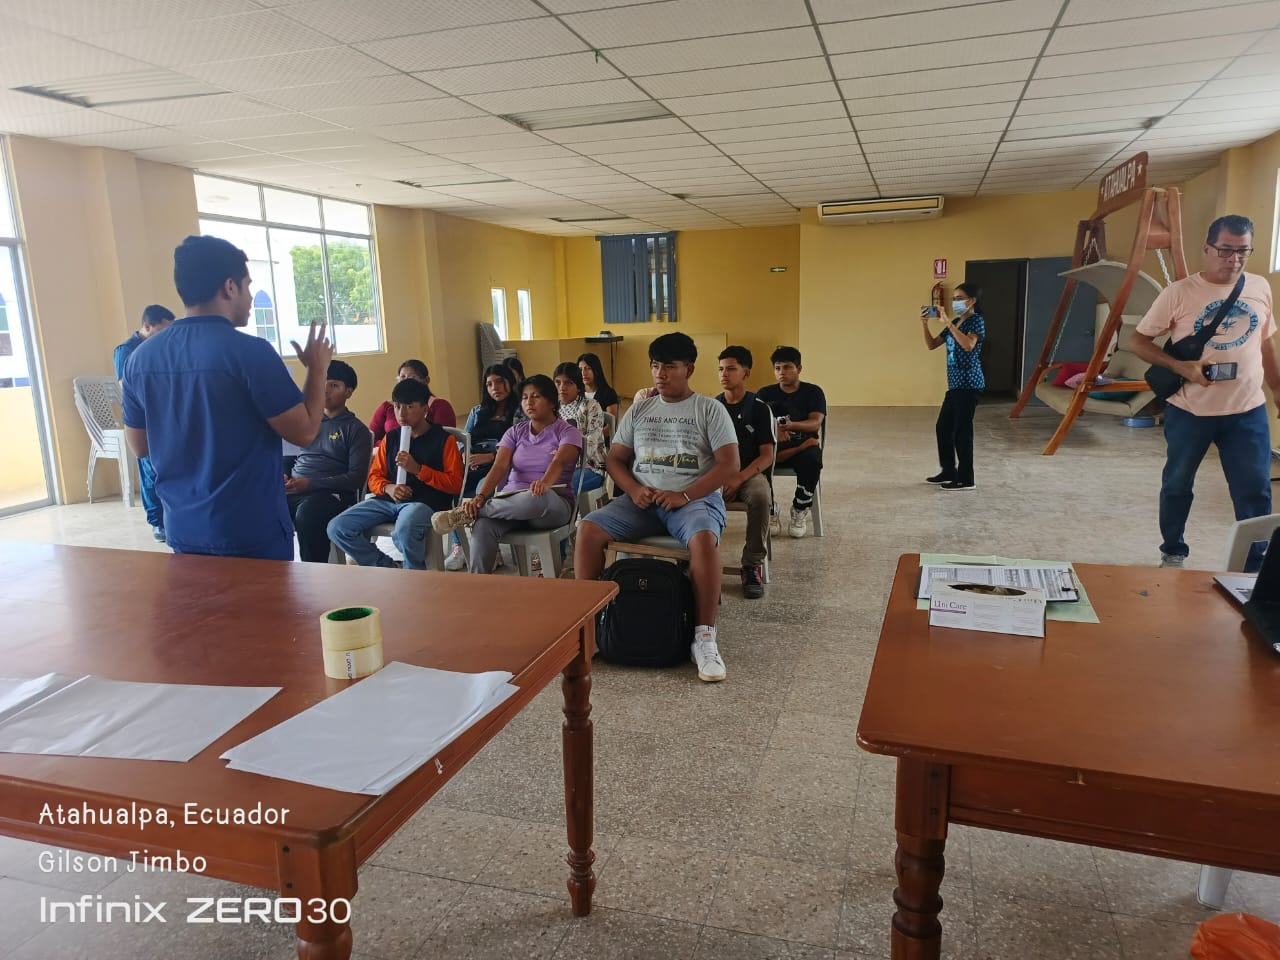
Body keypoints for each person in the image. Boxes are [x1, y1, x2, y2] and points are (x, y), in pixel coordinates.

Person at [122, 235, 332, 560]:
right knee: (261, 597)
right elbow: (304, 432)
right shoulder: (249, 353)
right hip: (249, 531)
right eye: (248, 286)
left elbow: (139, 446)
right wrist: (317, 370)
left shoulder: (140, 358)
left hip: (183, 528)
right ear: (230, 287)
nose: (250, 297)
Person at [573, 333, 738, 683]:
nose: (660, 373)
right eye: (655, 365)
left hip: (693, 500)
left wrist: (685, 495)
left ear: (689, 369)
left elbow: (729, 464)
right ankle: (590, 627)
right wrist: (634, 489)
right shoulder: (641, 409)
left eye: (669, 366)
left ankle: (704, 637)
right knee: (588, 529)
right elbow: (615, 459)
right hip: (642, 501)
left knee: (703, 540)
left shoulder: (709, 409)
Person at [1128, 214, 1279, 571]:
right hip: (1190, 410)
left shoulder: (1259, 287)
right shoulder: (1179, 293)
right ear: (1207, 249)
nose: (1234, 259)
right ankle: (1173, 551)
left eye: (1243, 251)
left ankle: (1255, 564)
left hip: (1247, 410)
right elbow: (1138, 341)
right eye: (1225, 250)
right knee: (1177, 484)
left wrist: (1277, 389)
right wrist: (1181, 367)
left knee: (1254, 488)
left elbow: (1266, 342)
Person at [432, 374, 582, 575]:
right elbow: (499, 467)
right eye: (525, 397)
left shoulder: (567, 431)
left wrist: (545, 483)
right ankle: (477, 584)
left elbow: (559, 462)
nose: (529, 402)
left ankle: (469, 513)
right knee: (483, 526)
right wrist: (480, 496)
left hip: (551, 507)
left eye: (536, 396)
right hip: (511, 506)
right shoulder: (515, 432)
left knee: (536, 497)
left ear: (552, 402)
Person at [327, 377, 463, 569]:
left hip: (425, 503)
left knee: (405, 529)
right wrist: (388, 487)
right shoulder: (391, 438)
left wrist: (418, 470)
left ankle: (414, 573)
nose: (402, 414)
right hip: (388, 500)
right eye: (398, 407)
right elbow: (374, 476)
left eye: (409, 407)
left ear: (425, 409)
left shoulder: (444, 440)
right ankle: (387, 567)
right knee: (338, 527)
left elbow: (455, 483)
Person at [285, 360, 372, 563]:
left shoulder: (356, 429)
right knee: (264, 507)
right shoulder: (306, 422)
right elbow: (289, 457)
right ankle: (274, 573)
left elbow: (356, 479)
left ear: (349, 392)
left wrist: (311, 483)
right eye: (322, 383)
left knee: (308, 514)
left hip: (333, 495)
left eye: (334, 385)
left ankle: (315, 575)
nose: (325, 390)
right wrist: (284, 475)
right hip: (296, 489)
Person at [444, 363, 519, 571]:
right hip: (474, 465)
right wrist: (465, 455)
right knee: (450, 488)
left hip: (502, 467)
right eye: (489, 384)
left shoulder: (519, 411)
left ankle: (489, 549)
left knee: (482, 491)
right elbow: (464, 439)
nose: (495, 388)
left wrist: (490, 457)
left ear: (510, 382)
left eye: (500, 382)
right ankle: (460, 546)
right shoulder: (478, 411)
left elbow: (522, 447)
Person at [715, 346, 776, 600]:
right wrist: (720, 479)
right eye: (720, 369)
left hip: (749, 474)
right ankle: (692, 559)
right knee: (692, 494)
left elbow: (767, 455)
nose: (724, 374)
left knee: (761, 496)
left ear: (746, 373)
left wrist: (739, 478)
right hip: (718, 474)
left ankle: (751, 565)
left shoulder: (759, 408)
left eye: (731, 368)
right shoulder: (712, 407)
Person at [113, 304, 175, 542]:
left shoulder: (161, 348)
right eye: (162, 330)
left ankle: (171, 516)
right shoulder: (127, 350)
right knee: (150, 468)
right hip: (143, 417)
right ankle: (158, 522)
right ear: (147, 326)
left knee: (165, 467)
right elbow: (126, 387)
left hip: (164, 414)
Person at [920, 282, 985, 491]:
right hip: (955, 386)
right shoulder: (956, 322)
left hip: (969, 384)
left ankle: (966, 479)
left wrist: (948, 323)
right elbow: (931, 345)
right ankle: (949, 470)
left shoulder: (976, 321)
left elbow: (968, 345)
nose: (955, 302)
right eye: (954, 299)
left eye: (959, 298)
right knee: (943, 428)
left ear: (972, 301)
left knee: (961, 432)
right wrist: (925, 324)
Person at [757, 346, 827, 537]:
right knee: (756, 458)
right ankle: (770, 508)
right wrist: (776, 429)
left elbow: (815, 423)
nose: (782, 372)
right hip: (774, 446)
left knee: (813, 460)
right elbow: (757, 423)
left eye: (787, 367)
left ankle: (800, 508)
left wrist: (790, 426)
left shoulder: (813, 392)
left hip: (804, 446)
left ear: (799, 368)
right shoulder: (764, 393)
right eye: (777, 368)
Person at [369, 359, 456, 442]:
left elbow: (443, 440)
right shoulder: (387, 406)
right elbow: (371, 439)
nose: (406, 382)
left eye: (413, 378)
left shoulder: (440, 406)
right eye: (402, 377)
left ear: (426, 380)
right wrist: (389, 446)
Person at [553, 361, 606, 493]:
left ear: (578, 387)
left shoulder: (591, 406)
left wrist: (563, 457)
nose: (562, 388)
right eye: (558, 382)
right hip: (556, 465)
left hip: (589, 466)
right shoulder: (551, 408)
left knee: (558, 485)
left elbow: (591, 442)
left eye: (568, 383)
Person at [577, 352, 619, 423]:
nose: (583, 373)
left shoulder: (608, 394)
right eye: (580, 369)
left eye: (588, 368)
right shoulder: (576, 392)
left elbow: (611, 425)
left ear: (596, 370)